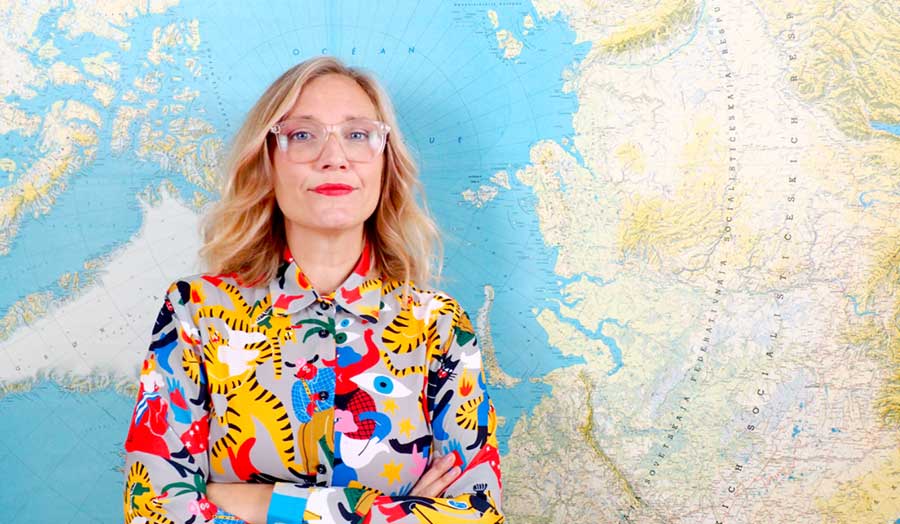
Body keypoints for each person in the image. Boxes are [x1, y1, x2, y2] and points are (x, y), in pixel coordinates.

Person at [122, 56, 503, 524]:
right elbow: (153, 510)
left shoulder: (438, 328)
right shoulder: (195, 313)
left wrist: (261, 503)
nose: (334, 157)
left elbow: (477, 515)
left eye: (358, 134)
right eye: (303, 135)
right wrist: (399, 512)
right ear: (267, 161)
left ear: (385, 164)